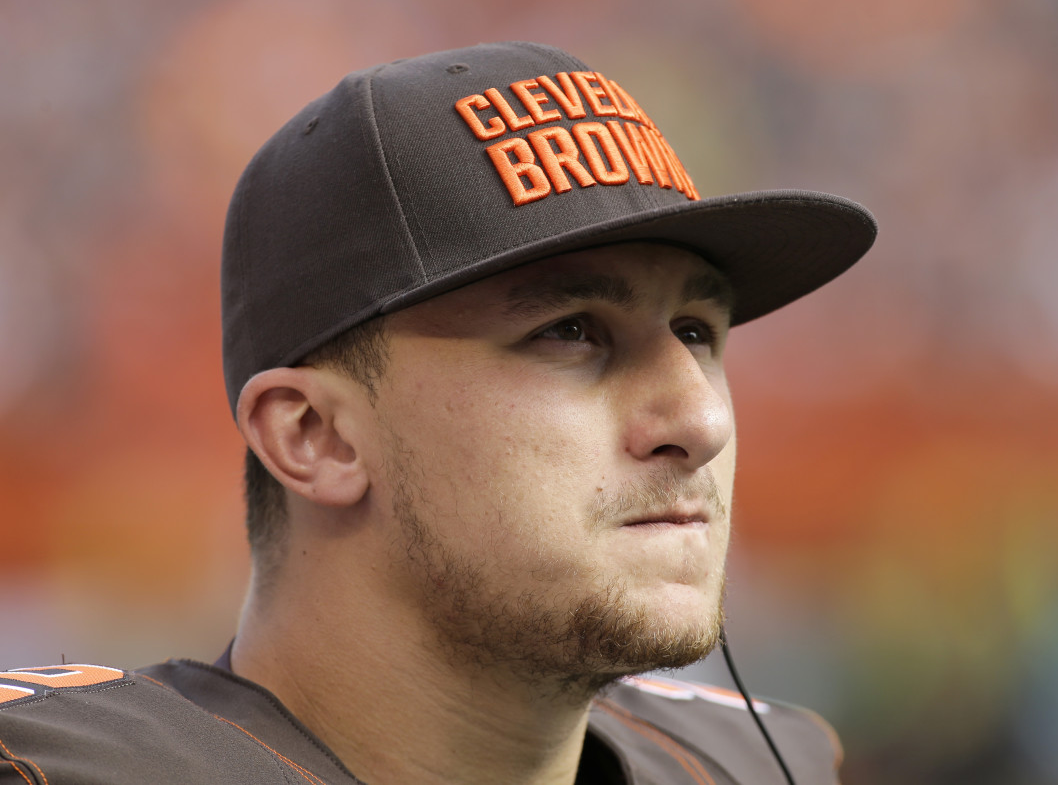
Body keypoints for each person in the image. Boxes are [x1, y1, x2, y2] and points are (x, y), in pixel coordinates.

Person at [0, 41, 875, 784]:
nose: (701, 420)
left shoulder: (758, 758)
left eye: (696, 330)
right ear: (316, 436)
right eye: (570, 331)